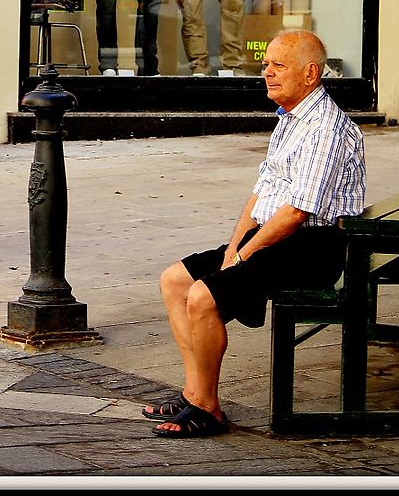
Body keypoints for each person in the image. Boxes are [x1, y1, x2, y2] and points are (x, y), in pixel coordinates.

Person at [143, 30, 365, 438]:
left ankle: (208, 409)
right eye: (266, 65)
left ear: (310, 73)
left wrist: (244, 257)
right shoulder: (290, 118)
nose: (267, 73)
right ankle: (195, 392)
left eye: (278, 66)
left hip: (313, 248)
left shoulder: (325, 127)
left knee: (203, 296)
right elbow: (261, 193)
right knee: (175, 280)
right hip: (275, 237)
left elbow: (298, 212)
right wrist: (233, 248)